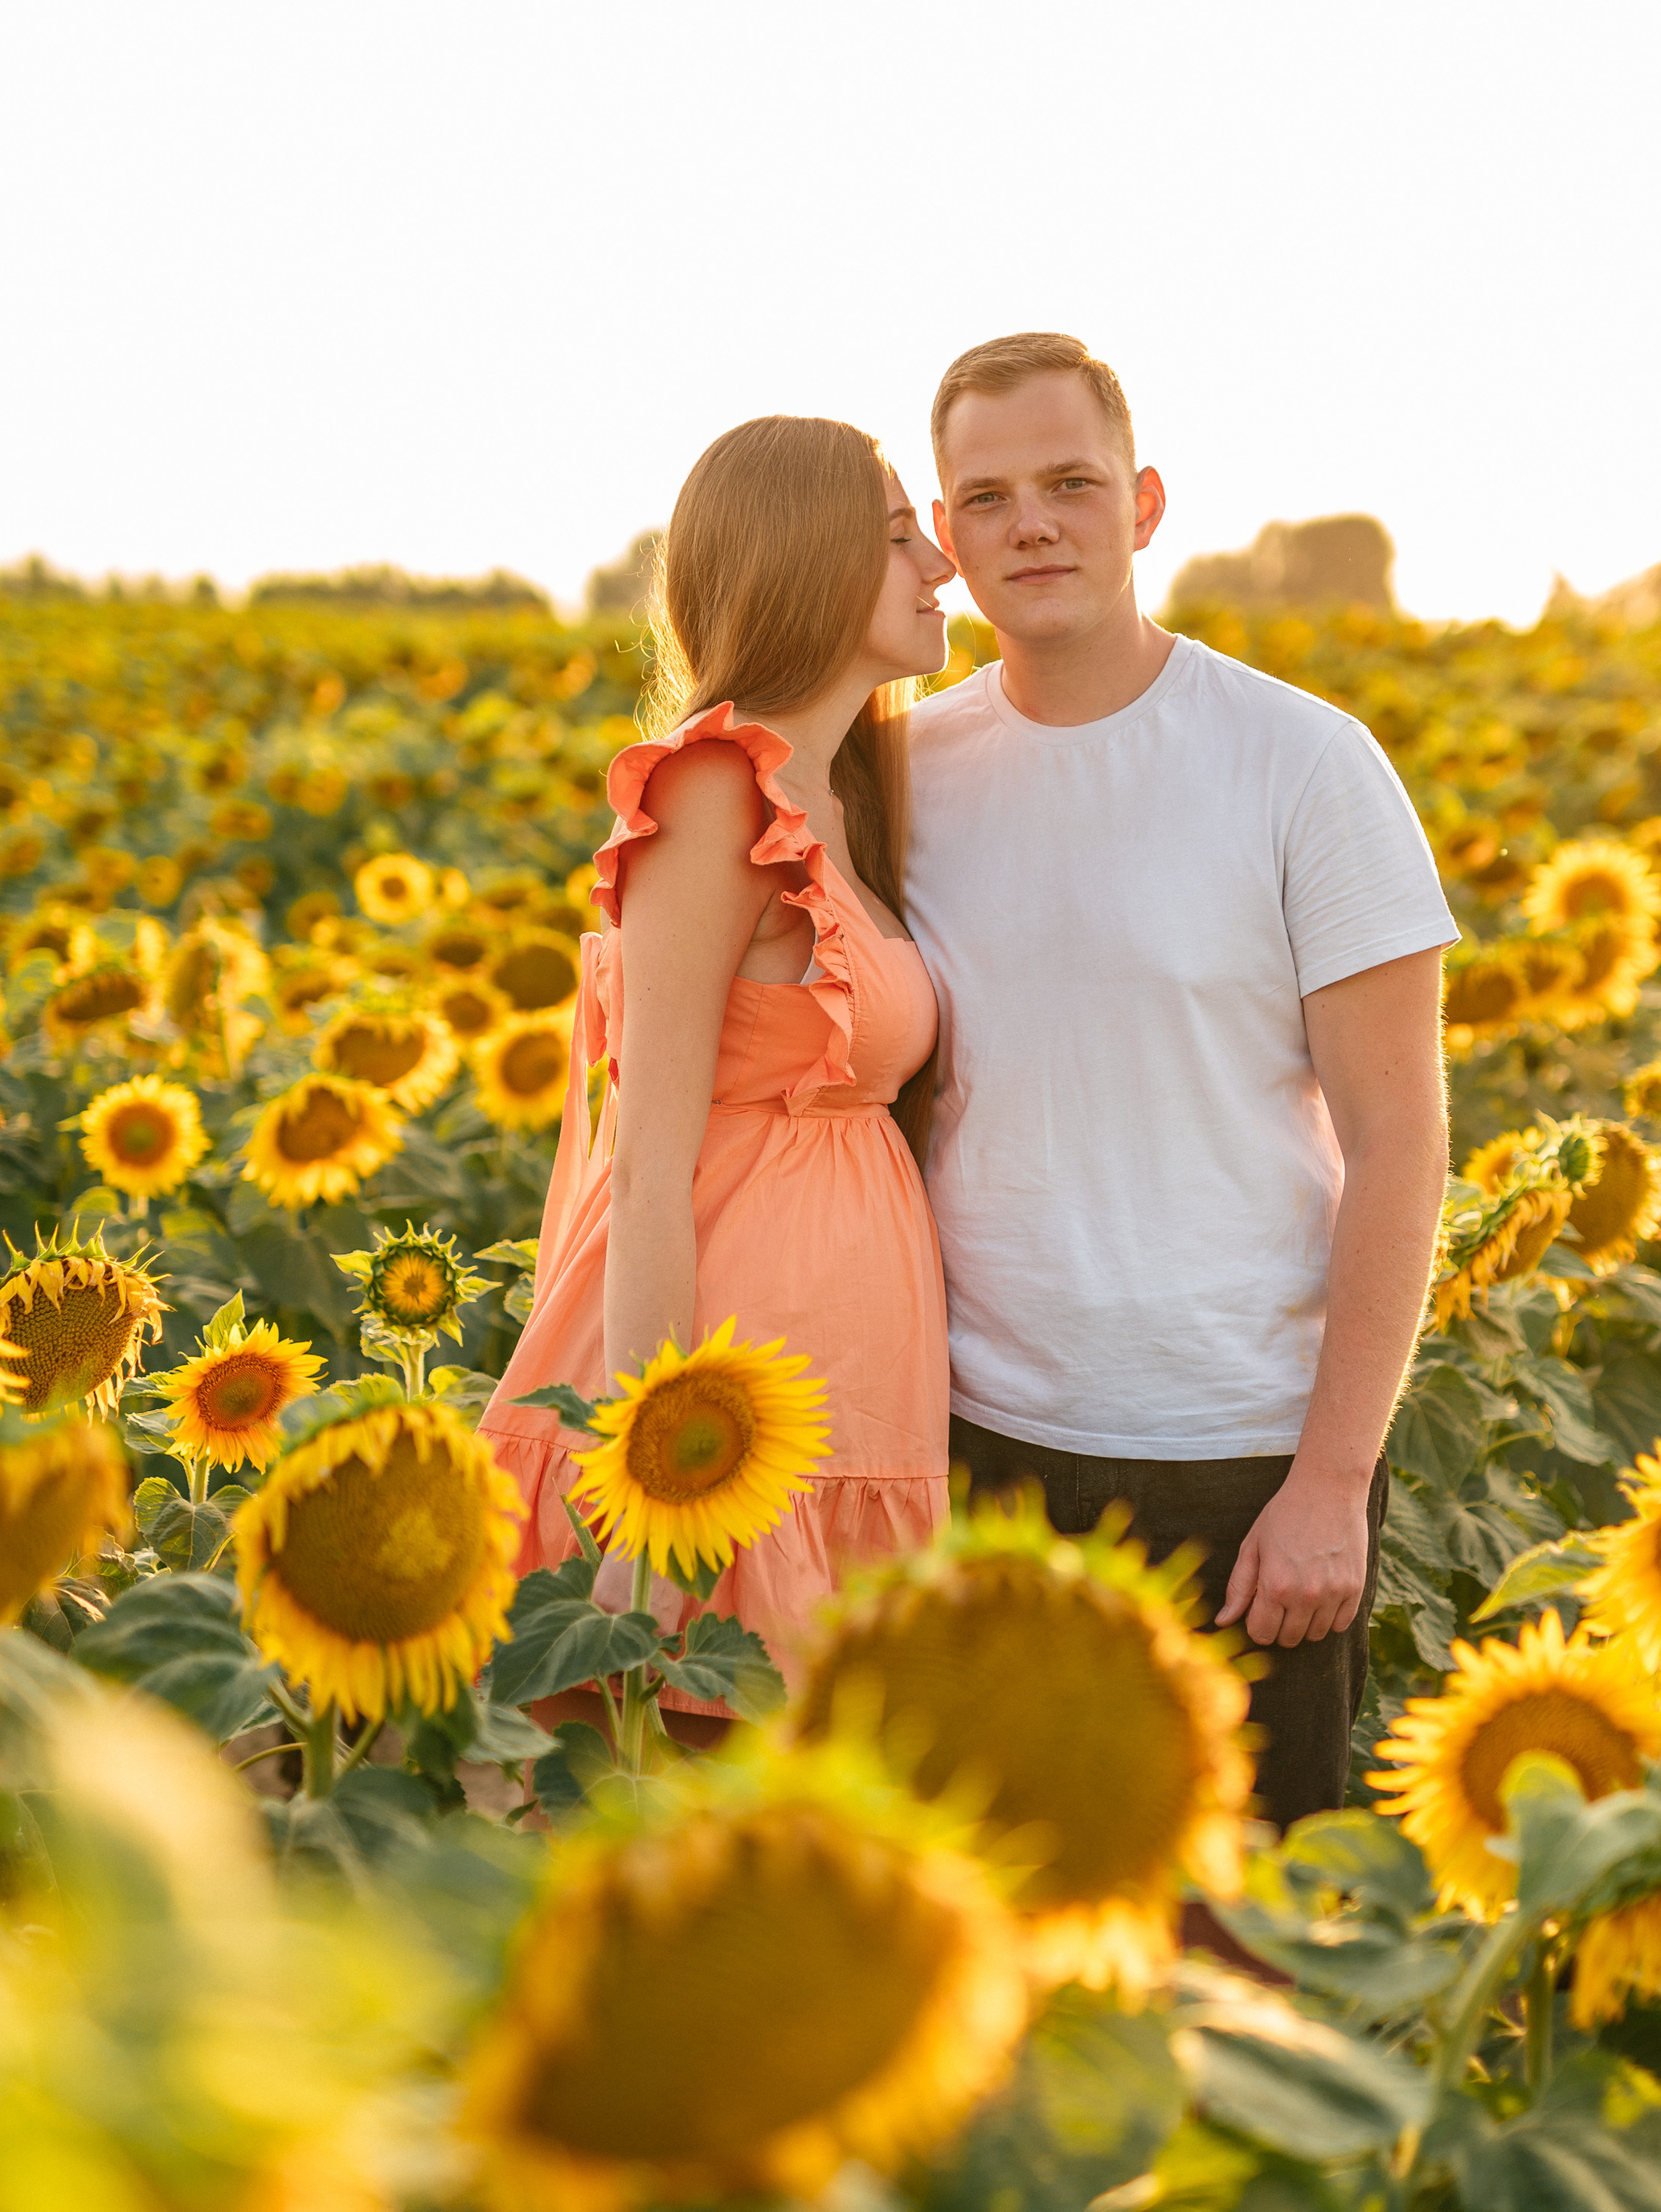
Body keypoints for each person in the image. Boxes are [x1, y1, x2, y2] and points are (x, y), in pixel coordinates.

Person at [905, 333, 1456, 1827]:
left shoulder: (1303, 763)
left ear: (1143, 504)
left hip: (1241, 1458)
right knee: (1009, 1935)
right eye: (989, 496)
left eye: (1071, 482)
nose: (1034, 523)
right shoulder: (902, 775)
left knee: (1245, 1952)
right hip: (981, 1451)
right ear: (947, 539)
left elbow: (1401, 1143)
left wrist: (1334, 1481)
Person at [481, 416, 955, 1731]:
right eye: (902, 535)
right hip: (719, 1407)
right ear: (804, 561)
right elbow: (646, 1160)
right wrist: (652, 1483)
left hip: (853, 1402)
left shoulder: (854, 794)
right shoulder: (714, 794)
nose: (943, 565)